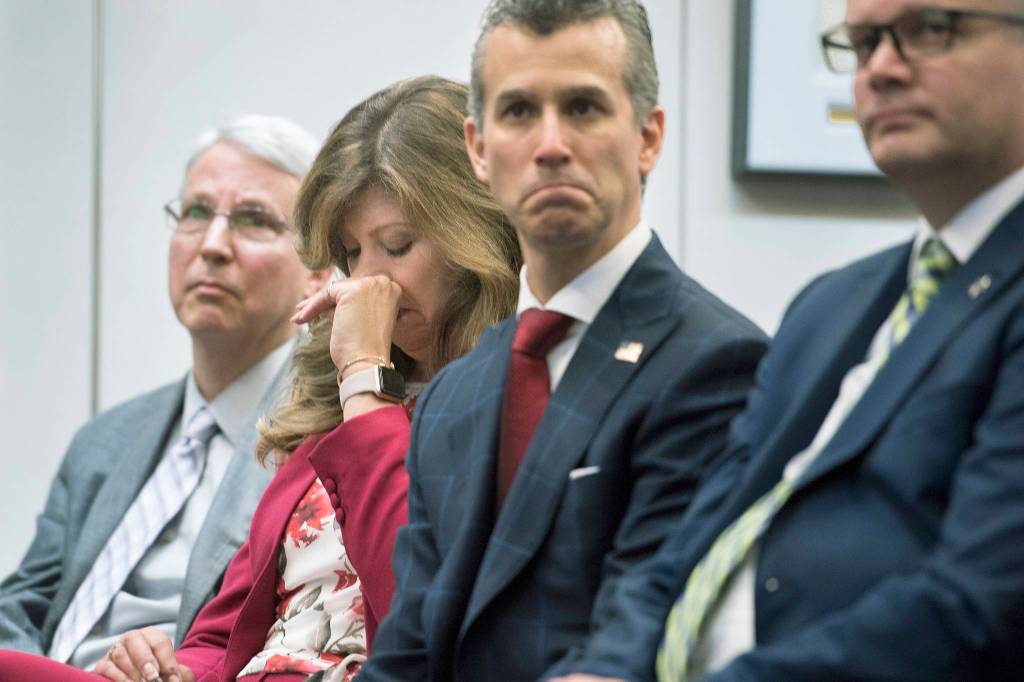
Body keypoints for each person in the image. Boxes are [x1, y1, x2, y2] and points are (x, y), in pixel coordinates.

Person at [553, 1, 1024, 680]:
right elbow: (689, 545)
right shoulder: (831, 305)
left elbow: (979, 608)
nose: (883, 68)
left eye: (930, 29)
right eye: (863, 44)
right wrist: (605, 669)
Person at [360, 2, 767, 680]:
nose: (551, 144)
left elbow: (638, 632)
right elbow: (408, 649)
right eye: (519, 111)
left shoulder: (716, 362)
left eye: (583, 108)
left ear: (648, 136)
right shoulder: (452, 396)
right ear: (479, 150)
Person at [79, 75, 520, 682]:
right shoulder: (326, 416)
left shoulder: (513, 402)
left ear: (472, 241)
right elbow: (221, 633)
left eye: (395, 245)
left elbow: (416, 622)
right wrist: (171, 670)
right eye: (349, 254)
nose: (364, 284)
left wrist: (367, 377)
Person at [0, 115, 330, 672]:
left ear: (317, 271)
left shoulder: (329, 436)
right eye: (196, 212)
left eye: (253, 220)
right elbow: (19, 608)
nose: (213, 245)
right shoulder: (106, 440)